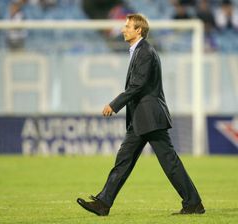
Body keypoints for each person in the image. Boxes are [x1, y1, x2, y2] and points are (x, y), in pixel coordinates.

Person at [77, 13, 205, 216]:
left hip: (150, 118)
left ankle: (193, 203)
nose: (123, 29)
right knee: (124, 161)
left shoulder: (145, 51)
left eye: (127, 26)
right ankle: (103, 203)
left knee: (169, 162)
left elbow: (138, 85)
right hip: (141, 119)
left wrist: (114, 104)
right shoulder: (139, 51)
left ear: (139, 30)